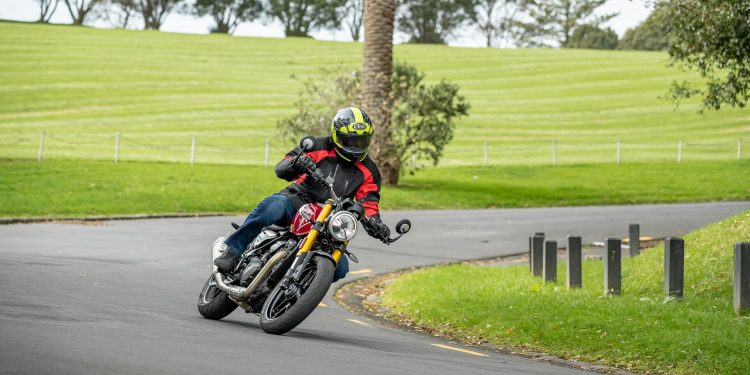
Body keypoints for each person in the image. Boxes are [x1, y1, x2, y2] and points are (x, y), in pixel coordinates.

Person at [214, 107, 391, 282]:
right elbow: (282, 167)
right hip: (298, 199)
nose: (356, 146)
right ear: (337, 135)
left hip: (329, 220)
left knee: (340, 268)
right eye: (350, 140)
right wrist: (298, 163)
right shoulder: (317, 146)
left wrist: (376, 222)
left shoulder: (369, 170)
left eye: (362, 141)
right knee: (273, 207)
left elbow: (368, 203)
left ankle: (294, 292)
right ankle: (233, 250)